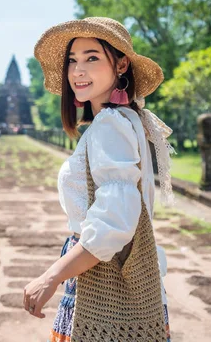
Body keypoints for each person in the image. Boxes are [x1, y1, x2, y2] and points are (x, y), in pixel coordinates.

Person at [23, 17, 175, 342]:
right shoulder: (129, 118)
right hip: (109, 276)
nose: (79, 70)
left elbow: (115, 220)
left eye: (92, 57)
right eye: (72, 60)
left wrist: (52, 276)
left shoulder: (109, 124)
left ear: (121, 64)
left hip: (101, 282)